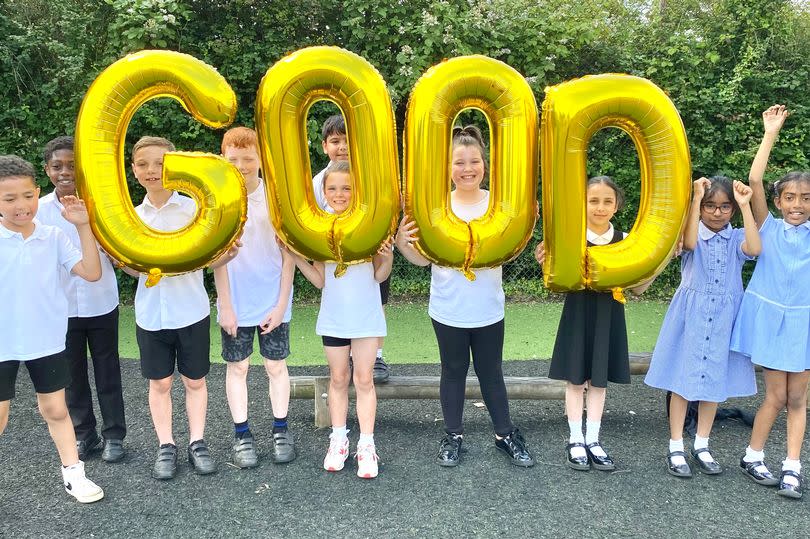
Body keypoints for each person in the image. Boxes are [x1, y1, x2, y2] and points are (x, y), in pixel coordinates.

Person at [396, 125, 534, 468]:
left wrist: (527, 226)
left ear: (485, 164)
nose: (467, 168)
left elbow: (509, 252)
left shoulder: (499, 204)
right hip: (448, 308)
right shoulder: (436, 206)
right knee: (453, 371)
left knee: (491, 372)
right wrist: (402, 243)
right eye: (459, 162)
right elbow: (423, 258)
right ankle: (453, 435)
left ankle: (504, 434)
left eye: (474, 161)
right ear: (447, 168)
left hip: (488, 308)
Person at [121, 136, 236, 480]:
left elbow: (214, 257)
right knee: (159, 384)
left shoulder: (194, 209)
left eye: (160, 163)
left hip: (191, 311)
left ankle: (197, 442)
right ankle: (166, 445)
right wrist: (122, 262)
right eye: (143, 164)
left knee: (195, 381)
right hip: (151, 314)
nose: (152, 170)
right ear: (133, 170)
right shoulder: (130, 217)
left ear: (175, 167)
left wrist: (223, 257)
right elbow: (135, 268)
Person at [0, 154, 104, 502]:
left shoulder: (54, 236)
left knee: (56, 410)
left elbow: (91, 272)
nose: (21, 206)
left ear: (37, 191)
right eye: (9, 199)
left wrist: (83, 225)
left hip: (46, 340)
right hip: (2, 344)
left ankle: (74, 476)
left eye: (27, 196)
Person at [645, 176, 761, 478]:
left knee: (714, 384)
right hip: (691, 317)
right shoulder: (692, 232)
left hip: (724, 317)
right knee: (682, 383)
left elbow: (756, 248)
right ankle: (675, 446)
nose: (717, 212)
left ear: (732, 211)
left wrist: (746, 206)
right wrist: (694, 199)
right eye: (710, 206)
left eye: (724, 207)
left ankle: (702, 443)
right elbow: (691, 242)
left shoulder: (735, 237)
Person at [536, 176, 651, 472]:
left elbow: (639, 285)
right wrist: (545, 261)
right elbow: (554, 280)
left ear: (617, 205)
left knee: (598, 381)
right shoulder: (570, 236)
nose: (600, 207)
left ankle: (594, 440)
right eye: (593, 200)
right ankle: (575, 439)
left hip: (609, 315)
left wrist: (659, 259)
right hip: (578, 313)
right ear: (582, 203)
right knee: (575, 379)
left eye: (607, 201)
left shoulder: (626, 241)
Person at [291, 160, 393, 479]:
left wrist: (387, 254)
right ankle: (338, 440)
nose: (340, 194)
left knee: (363, 379)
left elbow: (379, 275)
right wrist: (295, 254)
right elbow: (320, 280)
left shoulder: (369, 226)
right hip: (334, 317)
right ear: (324, 191)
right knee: (338, 379)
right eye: (333, 188)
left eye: (347, 188)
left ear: (356, 192)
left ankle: (366, 445)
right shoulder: (320, 229)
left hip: (366, 315)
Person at [732, 105, 810, 499]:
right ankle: (753, 455)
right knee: (777, 396)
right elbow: (755, 180)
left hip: (804, 325)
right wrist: (770, 132)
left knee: (800, 398)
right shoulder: (769, 226)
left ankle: (792, 468)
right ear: (779, 201)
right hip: (772, 321)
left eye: (806, 198)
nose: (798, 204)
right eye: (791, 197)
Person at [37, 136, 126, 463]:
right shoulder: (40, 211)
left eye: (72, 165)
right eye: (57, 166)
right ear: (47, 170)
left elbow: (117, 247)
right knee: (71, 375)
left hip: (101, 299)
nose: (65, 172)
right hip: (61, 307)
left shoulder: (101, 203)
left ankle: (114, 436)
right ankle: (84, 435)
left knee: (107, 371)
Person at [213, 127, 296, 468]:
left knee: (276, 366)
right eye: (234, 159)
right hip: (235, 300)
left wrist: (281, 305)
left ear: (262, 160)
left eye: (249, 158)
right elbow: (216, 256)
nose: (242, 165)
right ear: (222, 160)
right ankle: (242, 435)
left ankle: (280, 429)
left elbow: (290, 254)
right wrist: (226, 306)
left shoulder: (277, 197)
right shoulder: (219, 197)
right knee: (238, 367)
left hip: (272, 299)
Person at [312, 115, 390, 382]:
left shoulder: (368, 176)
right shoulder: (318, 181)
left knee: (376, 298)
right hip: (334, 255)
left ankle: (376, 356)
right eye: (335, 141)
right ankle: (342, 355)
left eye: (348, 140)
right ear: (324, 146)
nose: (342, 146)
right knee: (338, 301)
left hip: (367, 253)